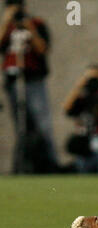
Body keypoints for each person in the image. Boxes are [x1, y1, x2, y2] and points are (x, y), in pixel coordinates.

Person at [0, 0, 58, 173]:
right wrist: (6, 21)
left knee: (43, 123)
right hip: (13, 80)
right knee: (21, 125)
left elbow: (42, 49)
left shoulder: (36, 23)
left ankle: (51, 164)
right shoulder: (7, 27)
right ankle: (23, 165)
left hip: (33, 79)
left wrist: (29, 29)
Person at [63, 65, 98, 174]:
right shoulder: (82, 97)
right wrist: (82, 82)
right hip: (84, 145)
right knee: (83, 177)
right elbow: (67, 108)